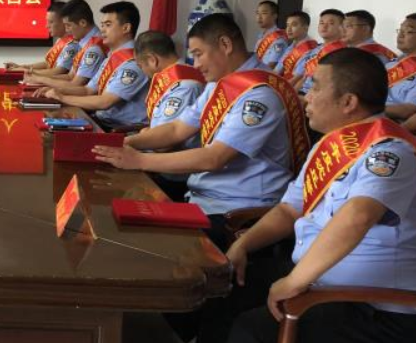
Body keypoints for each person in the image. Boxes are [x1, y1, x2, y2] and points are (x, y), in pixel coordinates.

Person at [164, 48, 416, 343]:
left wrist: (293, 281)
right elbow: (290, 210)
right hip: (327, 284)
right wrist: (244, 245)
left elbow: (358, 216)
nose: (305, 95)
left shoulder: (389, 151)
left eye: (316, 87)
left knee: (253, 328)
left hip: (378, 312)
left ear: (348, 101)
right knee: (227, 284)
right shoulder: (333, 147)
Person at [94, 14, 309, 248]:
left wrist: (139, 160)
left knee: (135, 239)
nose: (195, 64)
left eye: (198, 54)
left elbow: (214, 158)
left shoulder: (260, 94)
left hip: (234, 212)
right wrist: (127, 143)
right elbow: (177, 129)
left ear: (225, 45)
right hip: (202, 199)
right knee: (113, 213)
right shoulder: (220, 83)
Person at [43, 1, 149, 128]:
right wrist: (57, 91)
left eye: (108, 25)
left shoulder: (134, 63)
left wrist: (61, 97)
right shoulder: (112, 58)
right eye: (102, 25)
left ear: (126, 28)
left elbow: (105, 102)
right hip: (100, 121)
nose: (102, 30)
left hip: (118, 129)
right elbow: (87, 90)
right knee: (46, 120)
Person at [131, 30, 206, 201]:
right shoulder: (172, 79)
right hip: (158, 165)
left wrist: (143, 135)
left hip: (174, 176)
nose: (142, 71)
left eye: (141, 66)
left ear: (152, 60)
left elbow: (164, 145)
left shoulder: (185, 85)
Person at [24, 0, 105, 88]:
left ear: (83, 23)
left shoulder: (93, 48)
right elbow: (70, 76)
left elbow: (76, 84)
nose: (66, 30)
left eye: (68, 25)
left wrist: (41, 79)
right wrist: (39, 78)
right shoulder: (85, 42)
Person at [385, 12, 416, 122]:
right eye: (400, 30)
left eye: (408, 31)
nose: (401, 35)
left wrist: (368, 109)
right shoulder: (390, 64)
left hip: (392, 125)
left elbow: (408, 111)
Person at [4, 1, 72, 72]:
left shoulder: (71, 44)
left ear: (64, 21)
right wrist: (21, 66)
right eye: (47, 22)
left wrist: (25, 70)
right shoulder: (60, 41)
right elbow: (48, 64)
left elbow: (58, 72)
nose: (47, 26)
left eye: (51, 22)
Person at [290, 9, 345, 95]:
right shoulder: (315, 49)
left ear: (342, 28)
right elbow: (302, 76)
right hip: (301, 93)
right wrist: (291, 95)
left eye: (331, 23)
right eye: (321, 23)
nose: (324, 26)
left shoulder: (342, 53)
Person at [273, 11, 317, 80]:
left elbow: (298, 77)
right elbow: (277, 70)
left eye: (294, 25)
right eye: (287, 25)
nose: (288, 29)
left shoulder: (311, 48)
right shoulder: (291, 46)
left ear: (305, 28)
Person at [252, 0, 287, 69]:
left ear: (274, 16)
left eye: (264, 13)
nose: (259, 17)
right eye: (257, 13)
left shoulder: (279, 38)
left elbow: (272, 65)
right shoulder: (261, 35)